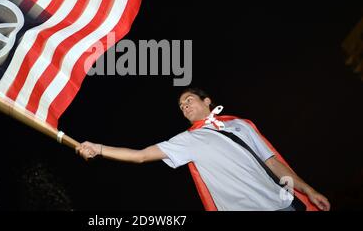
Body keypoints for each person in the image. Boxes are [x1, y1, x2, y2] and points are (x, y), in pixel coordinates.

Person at [76, 88, 331, 211]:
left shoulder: (240, 125)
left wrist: (308, 189)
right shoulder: (187, 140)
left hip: (283, 204)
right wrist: (98, 148)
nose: (184, 106)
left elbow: (272, 162)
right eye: (181, 106)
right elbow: (140, 155)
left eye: (189, 100)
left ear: (206, 101)